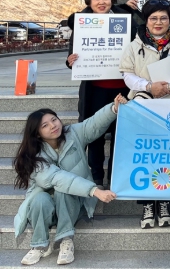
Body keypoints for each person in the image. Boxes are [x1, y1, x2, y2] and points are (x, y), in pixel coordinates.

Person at [13, 94, 127, 266]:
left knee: (64, 193)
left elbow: (93, 125)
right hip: (46, 210)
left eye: (54, 120)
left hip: (73, 204)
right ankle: (39, 245)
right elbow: (57, 178)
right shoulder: (33, 156)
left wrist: (113, 109)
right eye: (45, 125)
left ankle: (65, 240)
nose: (53, 126)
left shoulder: (72, 133)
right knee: (39, 199)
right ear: (37, 134)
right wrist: (94, 190)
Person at [119, 0, 170, 230]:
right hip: (143, 108)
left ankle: (164, 201)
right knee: (145, 156)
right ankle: (147, 204)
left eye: (163, 18)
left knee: (167, 156)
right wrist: (148, 87)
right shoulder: (133, 46)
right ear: (146, 21)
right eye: (153, 18)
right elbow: (127, 74)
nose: (158, 22)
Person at [66, 0, 132, 187]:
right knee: (95, 132)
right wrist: (70, 61)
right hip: (95, 89)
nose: (101, 2)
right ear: (89, 1)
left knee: (121, 133)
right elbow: (72, 54)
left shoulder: (126, 20)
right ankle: (96, 175)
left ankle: (114, 176)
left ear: (112, 0)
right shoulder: (81, 23)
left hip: (122, 87)